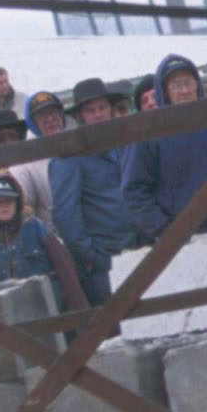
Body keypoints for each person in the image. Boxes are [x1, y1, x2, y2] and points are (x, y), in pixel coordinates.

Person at [121, 54, 207, 243]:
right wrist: (164, 231)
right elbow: (134, 191)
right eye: (176, 85)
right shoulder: (147, 134)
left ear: (198, 85)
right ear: (165, 92)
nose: (185, 90)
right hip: (180, 241)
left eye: (189, 82)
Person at [44, 79, 133, 302]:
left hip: (139, 248)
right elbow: (65, 214)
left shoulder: (124, 145)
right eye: (90, 110)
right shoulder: (69, 157)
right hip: (104, 262)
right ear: (80, 116)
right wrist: (93, 256)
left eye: (103, 107)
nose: (99, 115)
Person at [0, 172, 89, 308]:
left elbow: (68, 277)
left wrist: (80, 317)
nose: (4, 206)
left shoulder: (37, 229)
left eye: (9, 201)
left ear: (18, 202)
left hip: (45, 311)